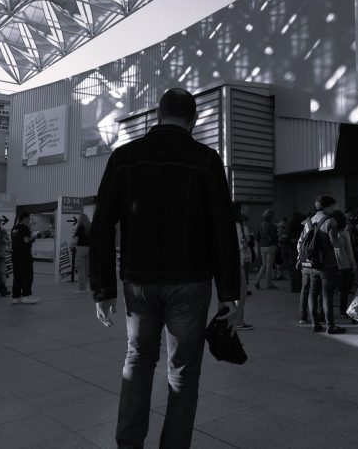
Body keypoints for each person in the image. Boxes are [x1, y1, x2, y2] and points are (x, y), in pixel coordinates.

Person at [89, 87, 241, 449]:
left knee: (138, 360)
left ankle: (128, 444)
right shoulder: (206, 159)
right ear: (194, 119)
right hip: (190, 281)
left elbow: (102, 224)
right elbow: (222, 228)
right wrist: (230, 293)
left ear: (158, 115)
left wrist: (103, 290)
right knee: (183, 371)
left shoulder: (124, 157)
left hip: (138, 281)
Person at [297, 195, 346, 334]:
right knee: (327, 295)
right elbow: (335, 243)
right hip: (327, 264)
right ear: (328, 206)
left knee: (313, 293)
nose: (334, 208)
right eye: (333, 205)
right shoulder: (330, 221)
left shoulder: (309, 221)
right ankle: (330, 326)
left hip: (312, 263)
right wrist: (342, 240)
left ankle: (315, 324)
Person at [10, 212, 40, 305]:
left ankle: (16, 297)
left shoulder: (14, 228)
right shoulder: (24, 228)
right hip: (24, 256)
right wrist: (33, 237)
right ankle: (26, 295)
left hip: (15, 255)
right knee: (27, 276)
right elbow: (26, 240)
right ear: (25, 218)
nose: (29, 220)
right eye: (29, 218)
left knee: (17, 277)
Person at [332, 210, 356, 318]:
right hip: (345, 265)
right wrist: (353, 265)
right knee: (344, 291)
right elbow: (349, 251)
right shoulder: (345, 233)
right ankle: (342, 311)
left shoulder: (330, 233)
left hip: (332, 265)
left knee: (330, 291)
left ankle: (326, 311)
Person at [233, 202, 253, 331]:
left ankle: (235, 320)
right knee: (242, 292)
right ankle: (238, 321)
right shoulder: (237, 225)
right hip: (237, 262)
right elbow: (239, 244)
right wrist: (243, 244)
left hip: (230, 264)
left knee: (235, 293)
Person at [255, 209, 279, 289]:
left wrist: (262, 242)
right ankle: (269, 284)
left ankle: (257, 281)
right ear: (271, 217)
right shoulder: (271, 225)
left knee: (264, 264)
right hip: (270, 246)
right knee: (269, 266)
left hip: (262, 247)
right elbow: (274, 237)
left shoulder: (260, 225)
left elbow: (257, 237)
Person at [73, 214, 92, 293]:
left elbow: (76, 240)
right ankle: (86, 285)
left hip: (80, 249)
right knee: (87, 268)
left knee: (80, 269)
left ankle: (81, 288)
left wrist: (74, 246)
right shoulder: (90, 227)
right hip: (89, 248)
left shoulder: (80, 227)